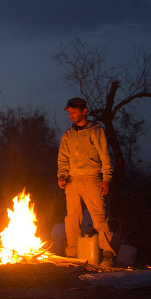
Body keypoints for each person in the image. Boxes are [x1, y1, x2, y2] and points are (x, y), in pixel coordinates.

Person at [57, 97, 115, 268]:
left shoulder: (96, 131)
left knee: (99, 218)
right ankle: (72, 254)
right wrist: (62, 175)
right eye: (69, 113)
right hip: (72, 181)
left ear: (84, 111)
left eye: (74, 112)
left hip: (92, 178)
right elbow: (63, 158)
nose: (71, 115)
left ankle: (108, 254)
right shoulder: (68, 135)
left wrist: (106, 178)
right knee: (72, 219)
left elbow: (105, 156)